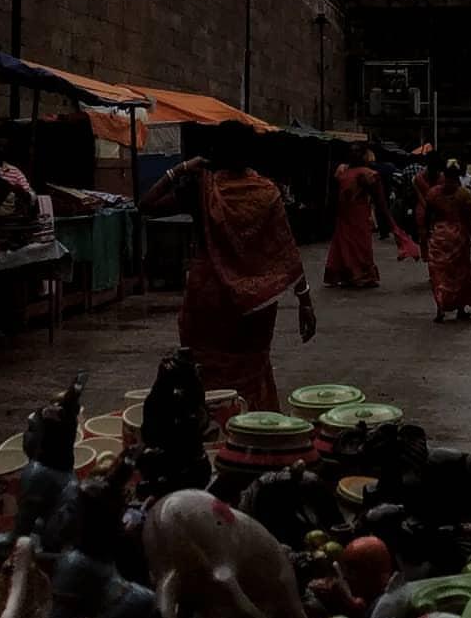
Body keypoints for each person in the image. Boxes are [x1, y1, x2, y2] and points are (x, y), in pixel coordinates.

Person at [139, 121, 315, 411]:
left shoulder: (201, 188)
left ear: (213, 151)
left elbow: (147, 203)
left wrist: (181, 168)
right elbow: (286, 250)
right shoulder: (266, 192)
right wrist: (304, 301)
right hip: (254, 305)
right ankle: (254, 430)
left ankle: (209, 429)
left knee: (205, 371)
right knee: (251, 370)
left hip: (208, 299)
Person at [425, 160, 471, 323]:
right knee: (461, 272)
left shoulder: (433, 193)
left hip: (439, 236)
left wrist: (424, 237)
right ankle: (460, 308)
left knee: (439, 273)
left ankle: (440, 308)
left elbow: (427, 219)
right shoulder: (463, 194)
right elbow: (468, 220)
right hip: (458, 236)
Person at [324, 149, 381, 290]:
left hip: (348, 213)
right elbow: (379, 199)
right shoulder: (367, 173)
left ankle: (350, 275)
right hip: (356, 213)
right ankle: (360, 276)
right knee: (359, 244)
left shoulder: (343, 171)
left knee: (347, 244)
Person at [413, 151, 445, 263]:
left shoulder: (418, 178)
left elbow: (420, 197)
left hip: (424, 209)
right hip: (437, 210)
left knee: (424, 236)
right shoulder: (442, 178)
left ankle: (427, 257)